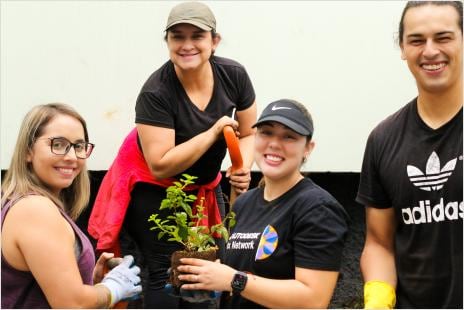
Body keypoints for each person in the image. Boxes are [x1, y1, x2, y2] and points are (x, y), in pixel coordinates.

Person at [88, 1, 257, 308]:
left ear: (214, 41)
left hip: (205, 184)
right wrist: (212, 132)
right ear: (167, 41)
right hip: (155, 187)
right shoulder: (156, 92)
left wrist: (241, 166)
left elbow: (249, 133)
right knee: (164, 271)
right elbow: (161, 164)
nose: (187, 44)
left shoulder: (234, 75)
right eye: (178, 36)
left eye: (197, 36)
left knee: (210, 262)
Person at [176, 99, 349, 308]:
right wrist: (204, 278)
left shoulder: (318, 209)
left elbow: (313, 300)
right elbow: (239, 275)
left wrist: (233, 279)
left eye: (288, 136)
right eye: (266, 132)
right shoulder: (243, 204)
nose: (274, 143)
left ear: (308, 148)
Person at [356, 1, 463, 308]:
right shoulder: (383, 139)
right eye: (416, 40)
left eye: (443, 38)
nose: (430, 51)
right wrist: (377, 301)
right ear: (402, 48)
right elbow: (379, 243)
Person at [1, 103, 142, 308]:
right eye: (57, 144)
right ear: (27, 151)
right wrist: (112, 288)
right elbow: (71, 304)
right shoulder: (35, 210)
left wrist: (92, 285)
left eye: (78, 146)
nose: (71, 157)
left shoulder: (20, 202)